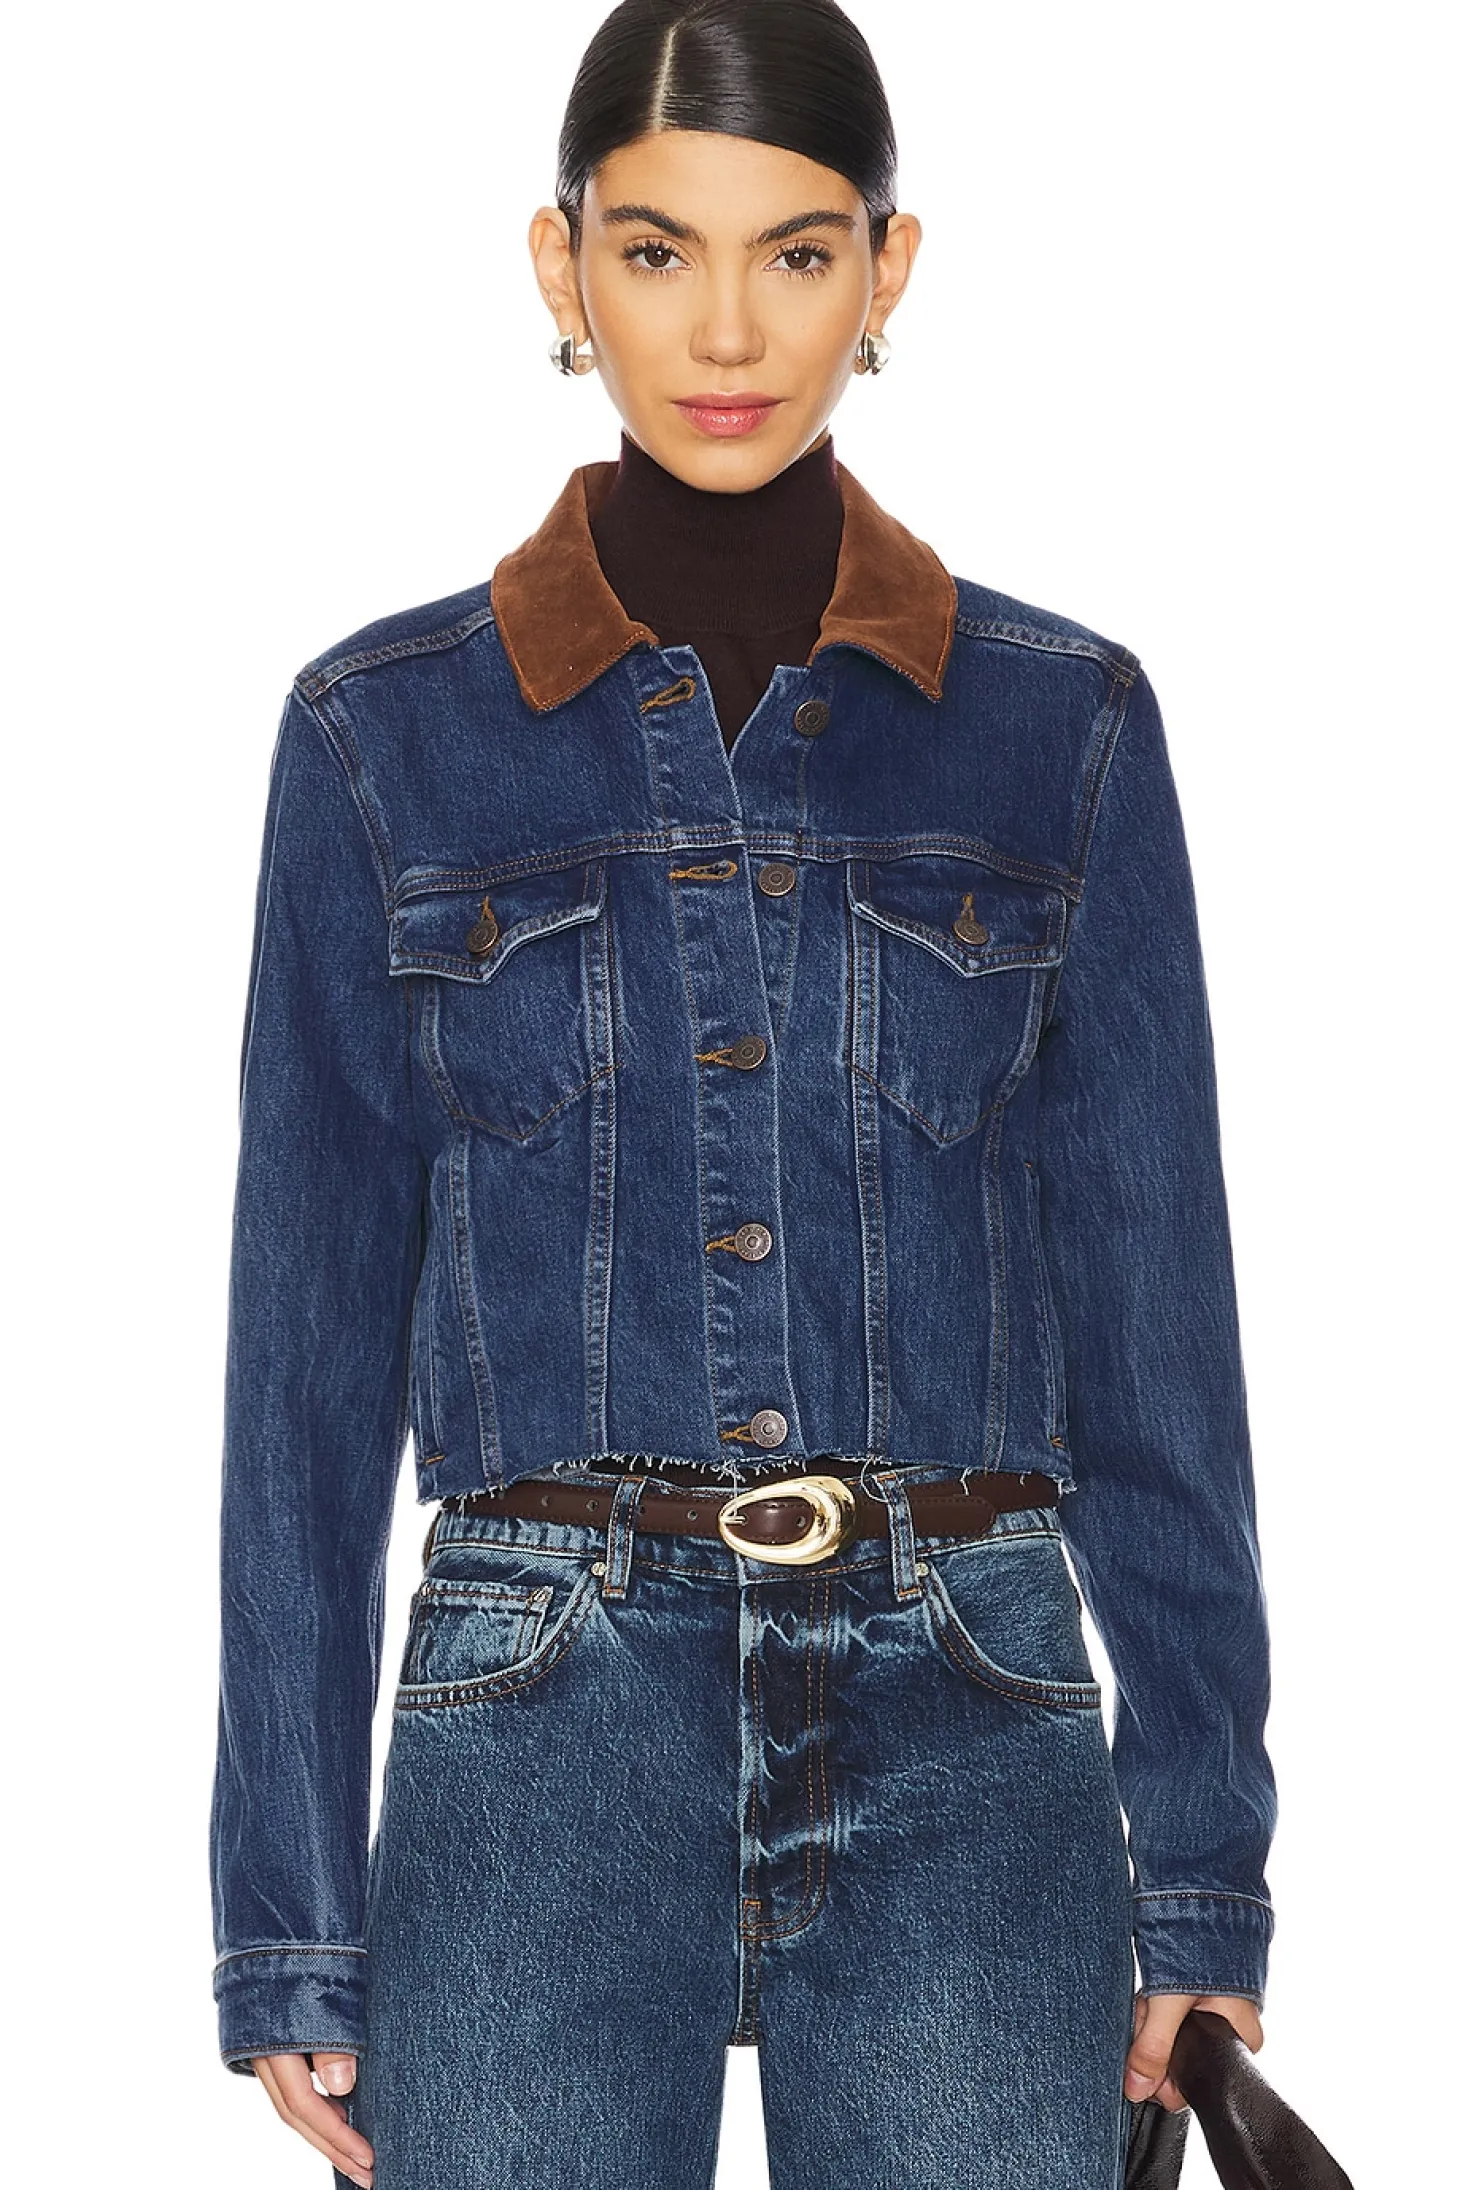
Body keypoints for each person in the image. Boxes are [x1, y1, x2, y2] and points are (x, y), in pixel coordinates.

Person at [208, 4, 1279, 2186]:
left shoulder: (1058, 726)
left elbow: (1156, 1335)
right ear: (559, 264)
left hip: (969, 1701)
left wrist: (1200, 1867)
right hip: (538, 1709)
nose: (724, 329)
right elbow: (302, 1378)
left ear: (889, 270)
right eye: (654, 250)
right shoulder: (380, 739)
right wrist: (290, 1915)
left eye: (796, 253)